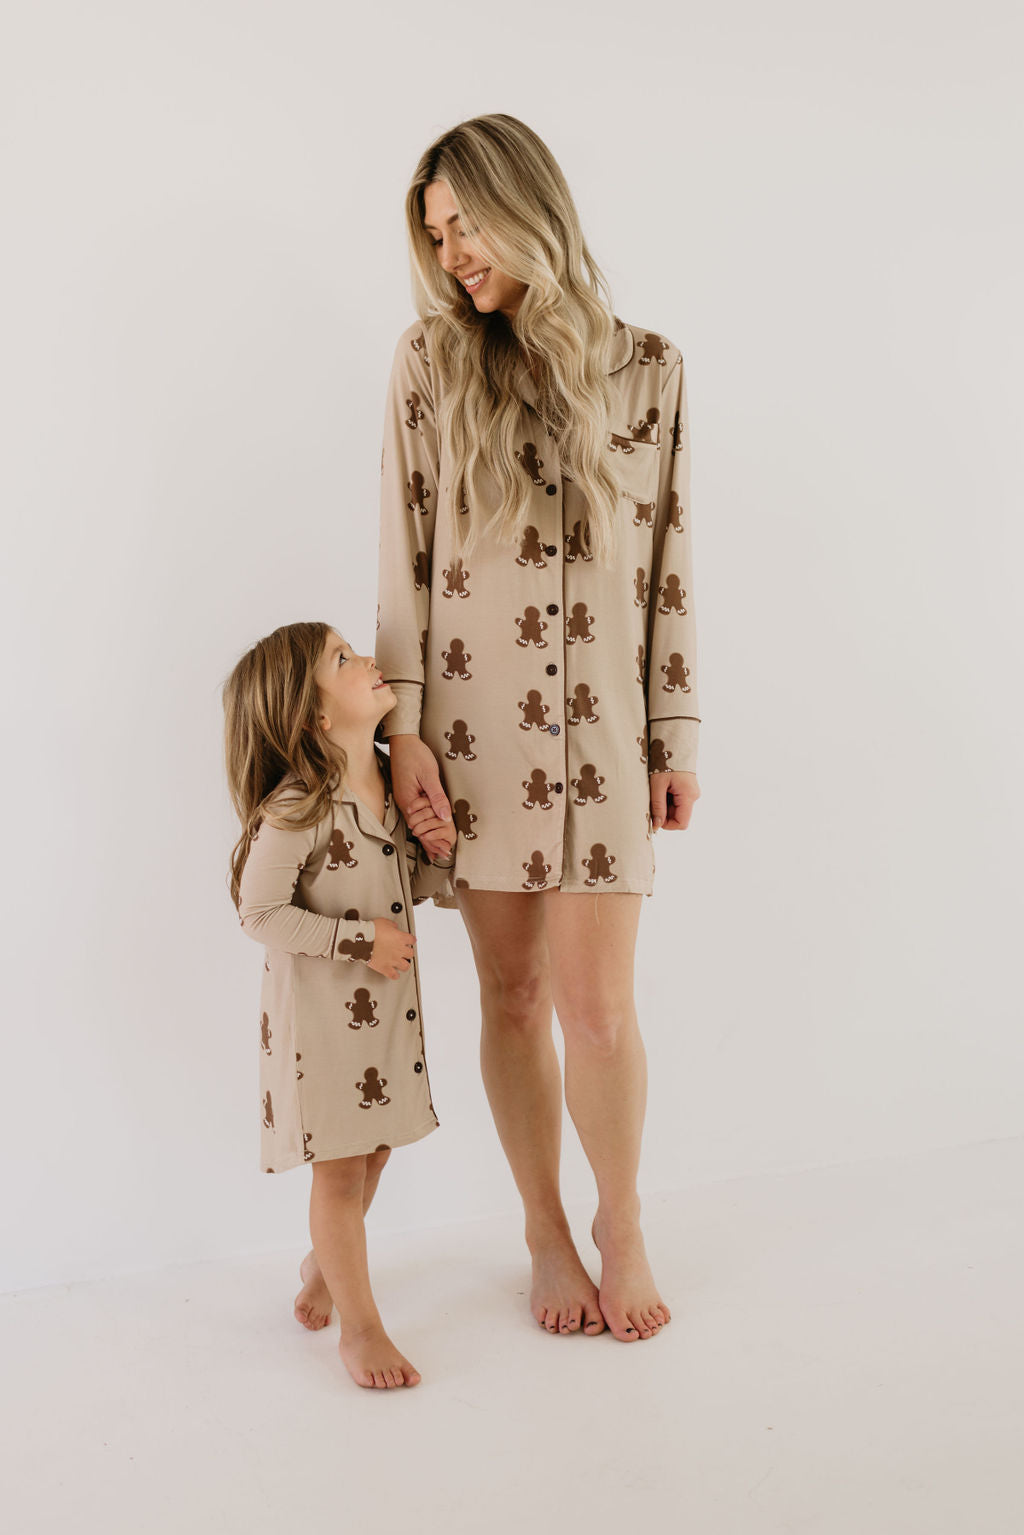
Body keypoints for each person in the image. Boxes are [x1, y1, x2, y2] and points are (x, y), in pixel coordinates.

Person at [376, 114, 701, 1343]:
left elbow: (669, 560)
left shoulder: (651, 370)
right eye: (437, 234)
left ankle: (621, 1219)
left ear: (528, 205)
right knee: (509, 998)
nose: (452, 254)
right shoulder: (426, 364)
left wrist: (670, 726)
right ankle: (543, 1226)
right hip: (471, 741)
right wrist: (401, 732)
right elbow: (402, 558)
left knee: (600, 1010)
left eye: (466, 224)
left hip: (605, 735)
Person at [223, 621, 455, 1389]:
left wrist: (435, 848)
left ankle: (325, 1270)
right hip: (323, 1028)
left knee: (376, 1150)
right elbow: (260, 913)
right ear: (316, 716)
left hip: (385, 1023)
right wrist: (358, 943)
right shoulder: (299, 805)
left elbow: (402, 887)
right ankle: (360, 1328)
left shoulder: (389, 785)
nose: (368, 661)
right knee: (342, 1174)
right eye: (344, 660)